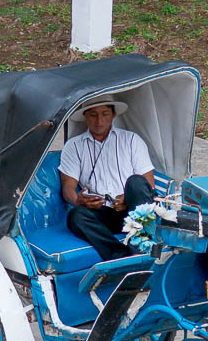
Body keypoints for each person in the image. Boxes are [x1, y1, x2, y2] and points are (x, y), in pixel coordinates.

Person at [58, 96, 156, 262]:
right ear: (85, 117)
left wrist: (127, 198)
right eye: (93, 115)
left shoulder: (131, 140)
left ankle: (140, 244)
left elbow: (148, 184)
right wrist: (78, 200)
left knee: (135, 181)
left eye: (104, 114)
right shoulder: (73, 146)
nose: (99, 121)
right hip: (103, 212)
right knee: (76, 216)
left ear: (113, 114)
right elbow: (68, 187)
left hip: (132, 209)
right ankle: (120, 255)